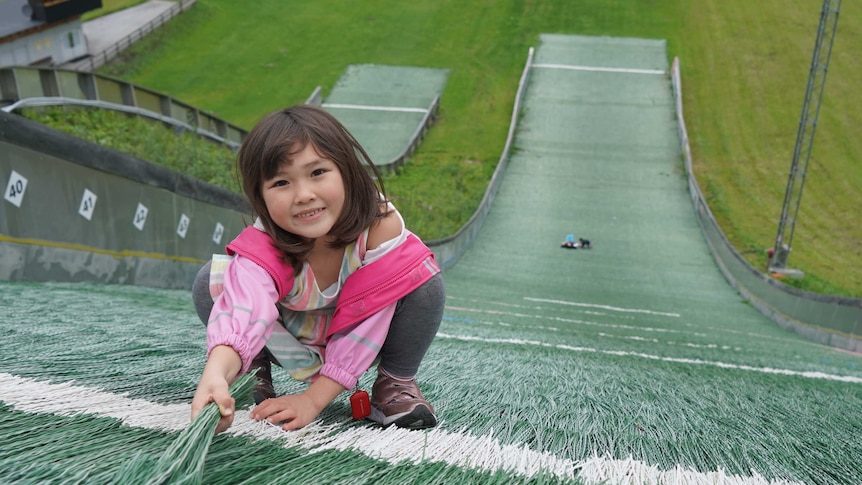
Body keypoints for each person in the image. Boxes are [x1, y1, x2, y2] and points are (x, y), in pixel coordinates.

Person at [190, 105, 445, 433]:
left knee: (422, 280)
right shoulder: (267, 240)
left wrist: (313, 399)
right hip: (292, 334)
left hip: (362, 332)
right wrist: (215, 371)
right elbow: (244, 307)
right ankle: (252, 370)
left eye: (317, 173)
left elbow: (370, 324)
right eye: (281, 182)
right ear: (261, 198)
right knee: (215, 279)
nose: (304, 195)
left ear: (347, 171)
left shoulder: (380, 228)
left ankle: (395, 384)